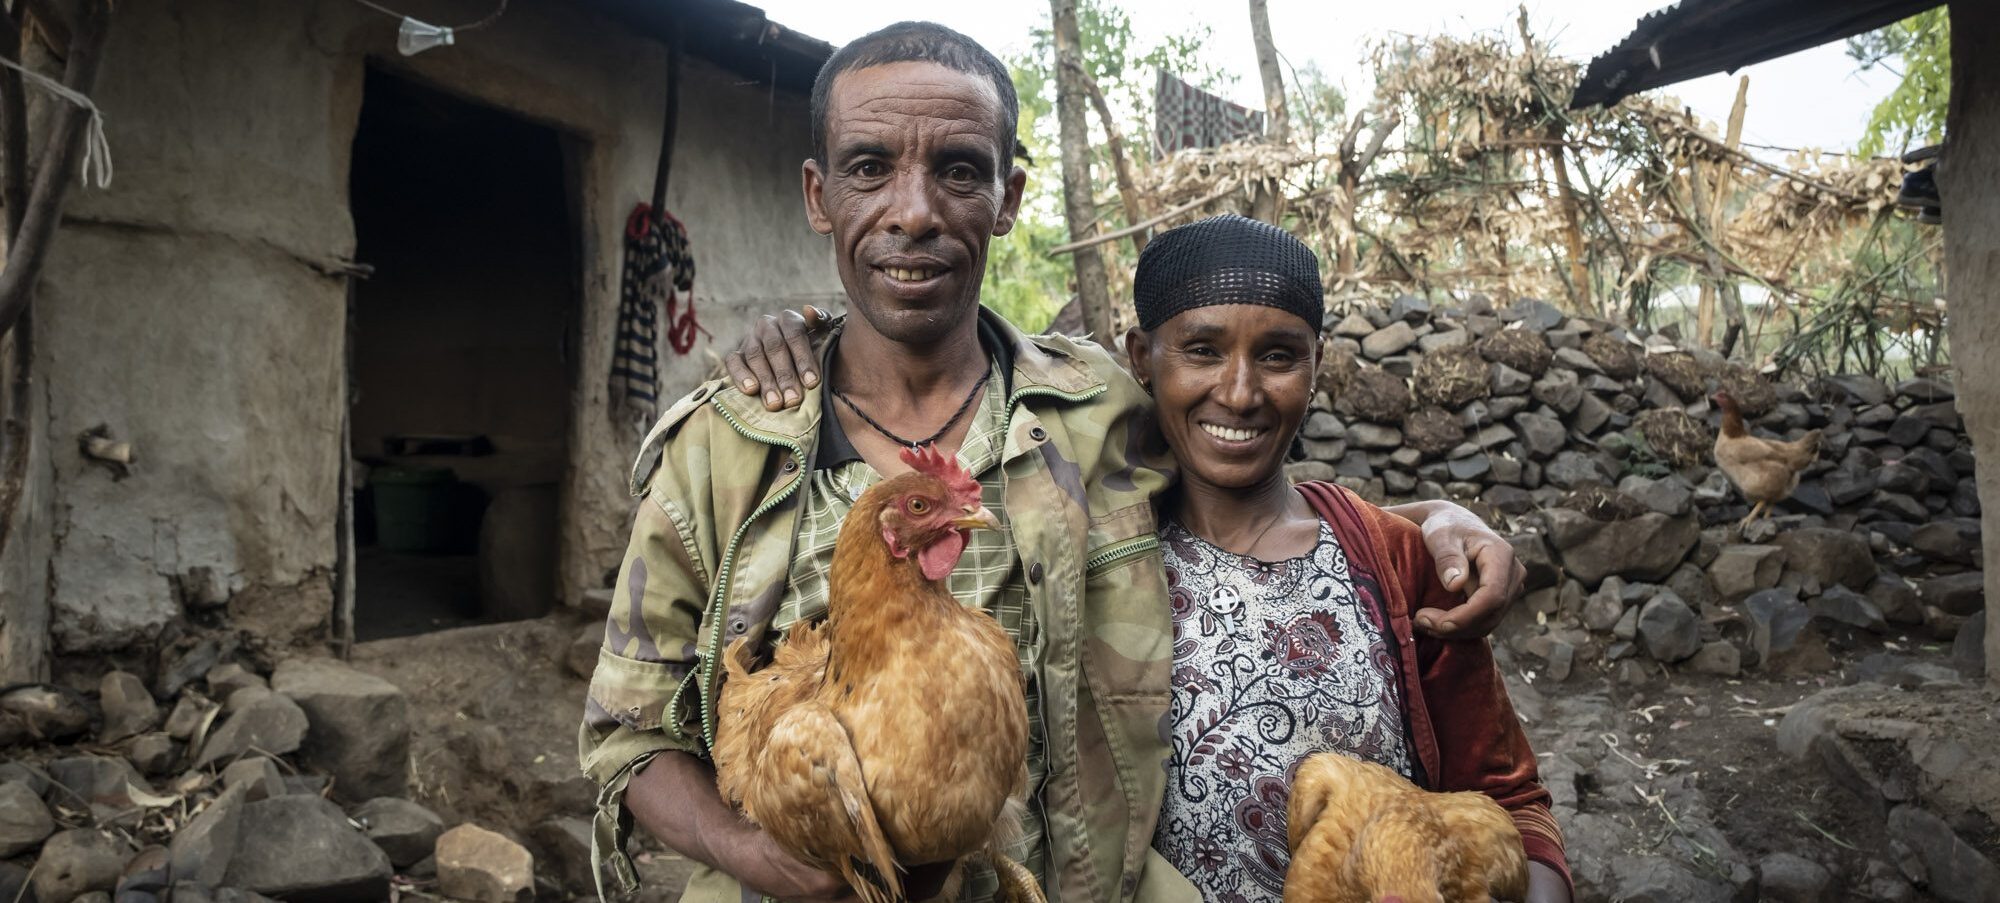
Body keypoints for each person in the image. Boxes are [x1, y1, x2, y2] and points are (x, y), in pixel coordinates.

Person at [580, 21, 1522, 903]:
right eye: (870, 168)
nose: (914, 212)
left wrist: (1437, 521)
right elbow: (626, 735)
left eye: (958, 170)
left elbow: (1244, 466)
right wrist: (756, 852)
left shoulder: (1099, 412)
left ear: (1010, 197)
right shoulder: (725, 447)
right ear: (820, 195)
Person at [1125, 215, 1569, 902]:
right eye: (1203, 350)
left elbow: (1510, 800)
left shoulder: (1391, 560)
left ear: (1317, 363)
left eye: (1277, 355)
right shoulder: (1101, 562)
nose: (1240, 393)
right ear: (1141, 357)